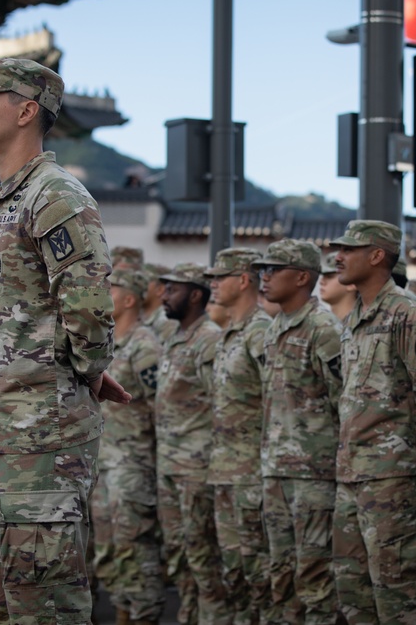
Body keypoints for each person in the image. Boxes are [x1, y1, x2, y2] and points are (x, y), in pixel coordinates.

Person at [0, 57, 130, 625]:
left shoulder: (55, 196)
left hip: (39, 440)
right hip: (5, 436)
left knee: (45, 606)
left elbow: (90, 308)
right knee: (14, 603)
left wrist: (87, 370)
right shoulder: (12, 199)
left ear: (27, 110)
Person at [330, 220, 416, 624]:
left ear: (377, 256)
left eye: (348, 249)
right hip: (352, 474)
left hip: (396, 478)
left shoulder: (408, 314)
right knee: (353, 589)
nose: (337, 257)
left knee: (400, 592)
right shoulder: (354, 317)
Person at [253, 239, 343, 625]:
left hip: (314, 474)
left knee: (315, 577)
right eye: (263, 269)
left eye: (275, 269)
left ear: (303, 277)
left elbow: (344, 400)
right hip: (277, 470)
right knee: (282, 574)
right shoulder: (275, 328)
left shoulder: (323, 328)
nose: (265, 277)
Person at [205, 248, 278, 625]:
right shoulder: (230, 332)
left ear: (245, 280)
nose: (212, 284)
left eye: (220, 277)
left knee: (259, 572)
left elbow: (276, 401)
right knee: (234, 572)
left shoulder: (261, 331)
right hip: (226, 472)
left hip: (252, 475)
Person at [154, 262, 228, 625]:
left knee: (203, 557)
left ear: (196, 294)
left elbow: (220, 404)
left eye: (173, 289)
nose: (165, 296)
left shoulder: (209, 339)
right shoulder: (174, 336)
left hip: (196, 469)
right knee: (178, 554)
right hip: (170, 466)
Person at [97, 266, 165, 625]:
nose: (102, 291)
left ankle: (143, 617)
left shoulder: (144, 345)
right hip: (106, 462)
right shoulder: (104, 342)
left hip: (133, 464)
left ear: (128, 299)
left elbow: (161, 407)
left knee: (135, 551)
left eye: (111, 287)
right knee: (109, 551)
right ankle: (123, 613)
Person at [143, 262, 179, 342]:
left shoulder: (167, 322)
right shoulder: (136, 317)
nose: (138, 286)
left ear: (160, 290)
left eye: (144, 282)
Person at [318, 252, 357, 322]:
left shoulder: (361, 322)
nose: (321, 282)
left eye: (329, 277)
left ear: (351, 284)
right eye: (323, 276)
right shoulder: (320, 323)